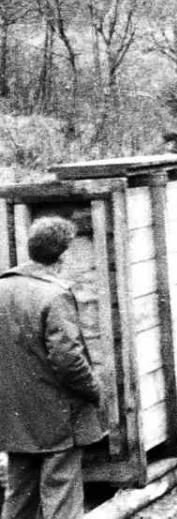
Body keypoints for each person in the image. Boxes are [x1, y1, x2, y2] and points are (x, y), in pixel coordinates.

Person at [0, 216, 107, 519]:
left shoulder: (3, 287)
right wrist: (95, 391)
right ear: (62, 256)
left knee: (20, 496)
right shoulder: (55, 295)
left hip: (14, 415)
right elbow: (69, 361)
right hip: (56, 416)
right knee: (61, 496)